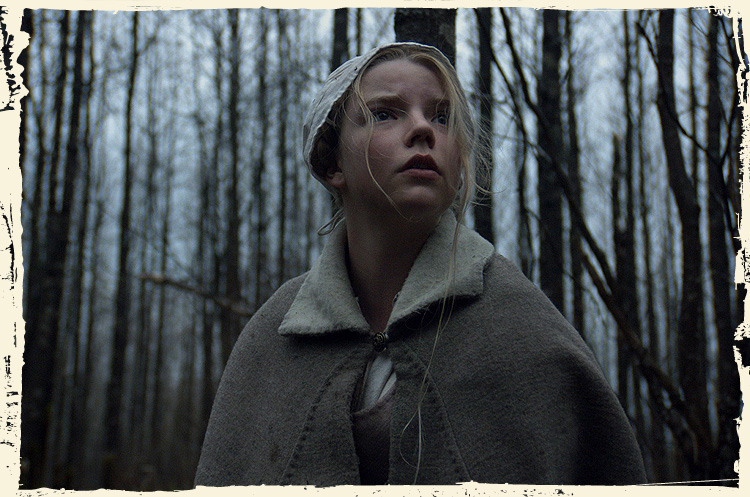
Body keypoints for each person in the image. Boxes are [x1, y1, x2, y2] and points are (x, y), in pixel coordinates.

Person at [194, 42, 647, 486]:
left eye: (442, 117)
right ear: (332, 162)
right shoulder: (275, 336)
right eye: (385, 114)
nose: (423, 129)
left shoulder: (521, 326)